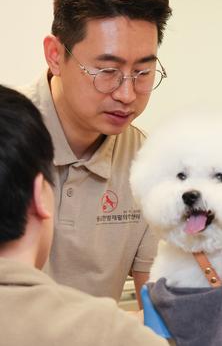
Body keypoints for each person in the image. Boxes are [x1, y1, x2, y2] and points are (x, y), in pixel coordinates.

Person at [17, 0, 172, 305]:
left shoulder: (148, 163)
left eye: (143, 72)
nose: (127, 94)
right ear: (55, 55)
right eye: (107, 71)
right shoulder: (9, 137)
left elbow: (158, 308)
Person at [0, 85, 169, 346]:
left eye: (142, 72)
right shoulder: (109, 331)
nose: (125, 94)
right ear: (38, 194)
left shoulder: (141, 153)